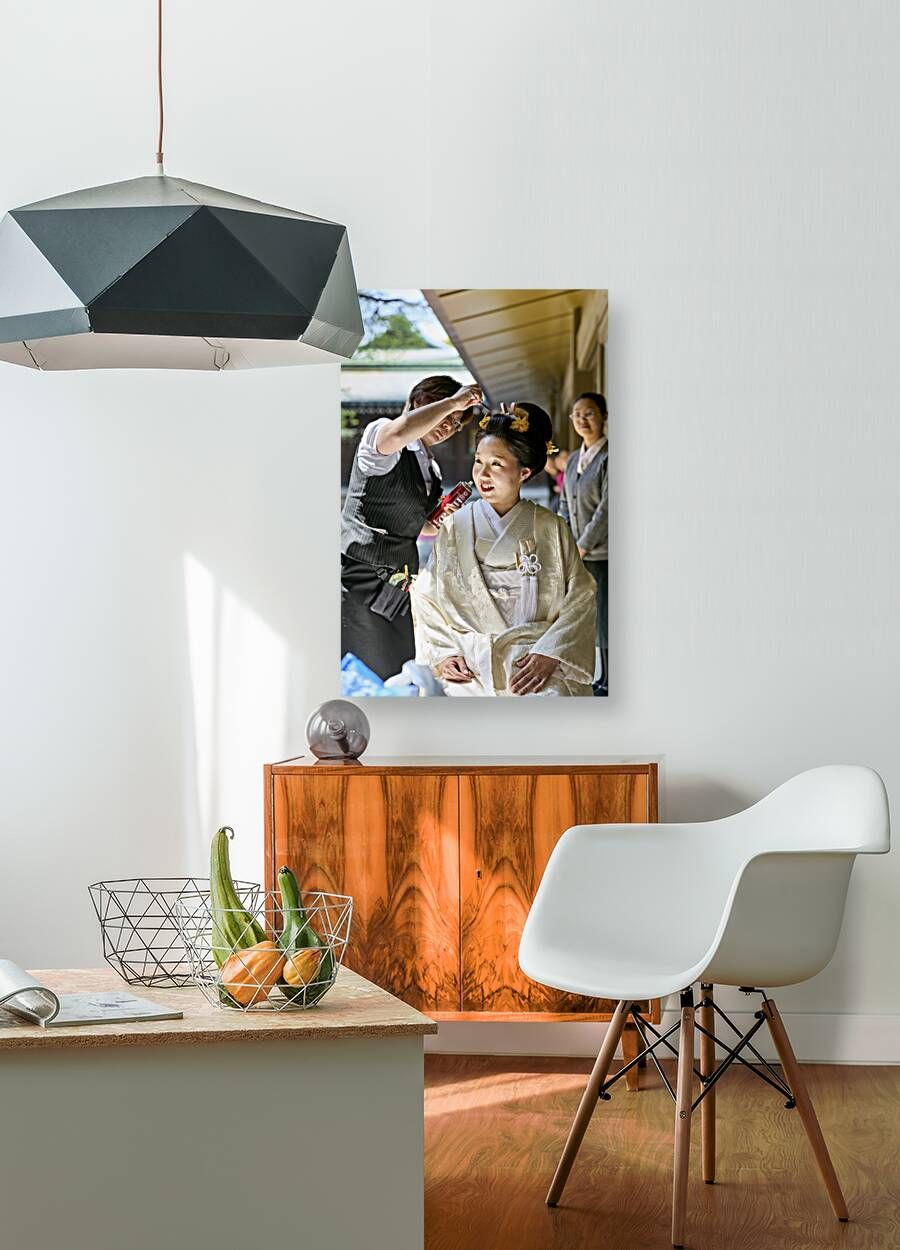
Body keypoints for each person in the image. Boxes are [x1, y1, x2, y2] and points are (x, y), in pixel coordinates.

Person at [412, 404, 596, 696]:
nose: (482, 474)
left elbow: (581, 596)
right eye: (478, 461)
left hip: (535, 660)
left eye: (496, 464)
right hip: (471, 664)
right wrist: (444, 653)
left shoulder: (551, 527)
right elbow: (426, 593)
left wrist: (552, 652)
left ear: (524, 472)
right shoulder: (455, 525)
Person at [340, 376, 482, 681]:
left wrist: (440, 518)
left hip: (399, 581)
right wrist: (454, 402)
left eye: (456, 423)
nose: (449, 426)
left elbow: (421, 527)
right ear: (418, 401)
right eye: (446, 415)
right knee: (364, 672)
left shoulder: (431, 467)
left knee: (398, 672)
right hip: (360, 575)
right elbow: (400, 431)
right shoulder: (381, 433)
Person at [559, 391, 609, 695]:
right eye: (577, 415)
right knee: (589, 618)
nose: (582, 420)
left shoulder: (609, 457)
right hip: (577, 552)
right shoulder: (574, 460)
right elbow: (565, 504)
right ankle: (599, 677)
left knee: (606, 618)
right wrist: (566, 541)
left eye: (589, 413)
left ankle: (610, 680)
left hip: (601, 553)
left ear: (604, 416)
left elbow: (608, 508)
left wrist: (584, 544)